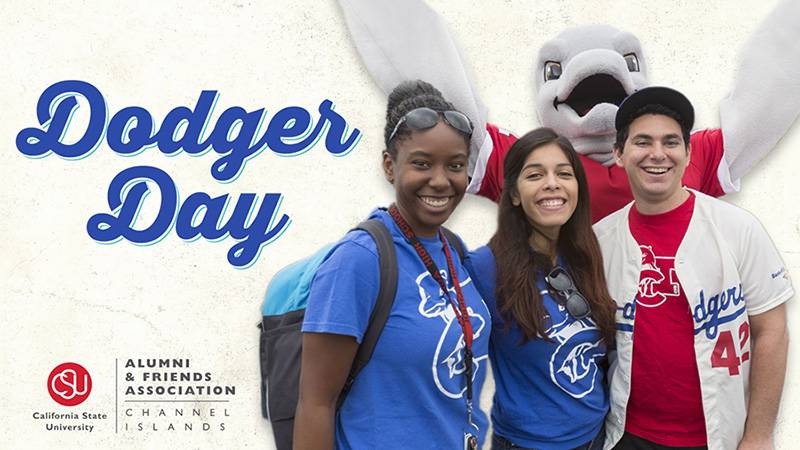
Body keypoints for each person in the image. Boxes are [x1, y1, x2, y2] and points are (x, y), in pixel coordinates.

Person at [293, 80, 491, 449]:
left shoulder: (453, 250)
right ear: (389, 165)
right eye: (421, 164)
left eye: (455, 165)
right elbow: (315, 404)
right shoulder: (360, 260)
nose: (440, 180)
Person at [594, 87, 793, 450]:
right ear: (619, 155)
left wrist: (760, 434)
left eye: (671, 142)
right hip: (628, 435)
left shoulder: (738, 228)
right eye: (642, 142)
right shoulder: (600, 241)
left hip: (719, 437)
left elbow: (772, 332)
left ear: (687, 153)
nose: (657, 154)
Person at [465, 128, 617, 450]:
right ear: (515, 194)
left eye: (564, 173)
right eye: (535, 175)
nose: (552, 183)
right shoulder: (484, 268)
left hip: (598, 437)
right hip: (528, 444)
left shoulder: (593, 255)